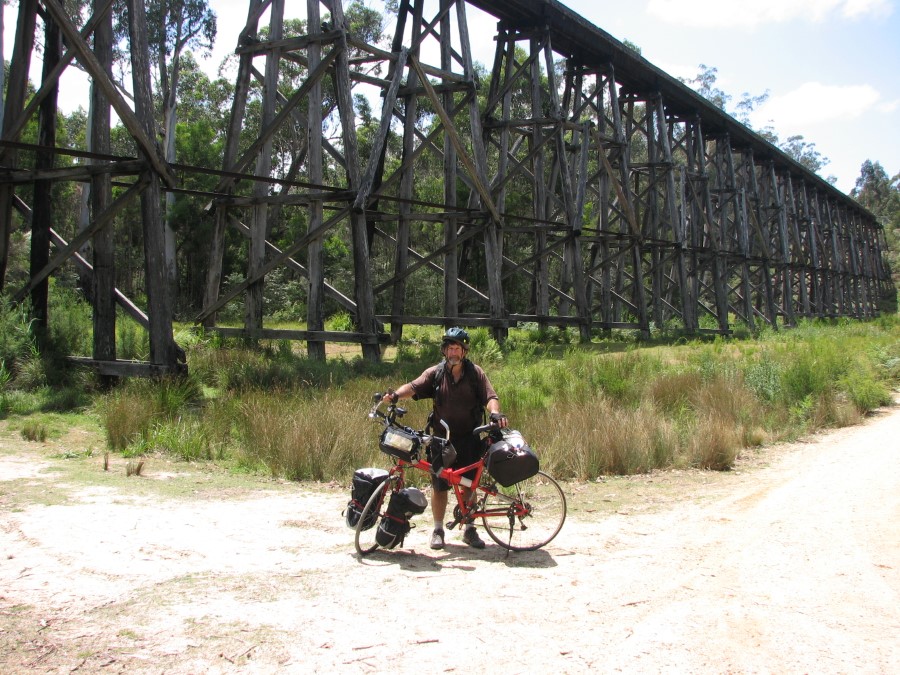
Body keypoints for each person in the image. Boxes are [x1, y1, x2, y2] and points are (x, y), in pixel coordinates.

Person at [382, 327, 508, 550]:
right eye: (449, 348)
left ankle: (470, 529)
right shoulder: (435, 373)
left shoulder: (475, 373)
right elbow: (413, 386)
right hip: (441, 441)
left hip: (470, 438)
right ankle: (438, 529)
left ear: (464, 351)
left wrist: (495, 413)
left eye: (457, 348)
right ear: (444, 351)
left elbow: (491, 397)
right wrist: (395, 396)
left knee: (469, 486)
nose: (453, 353)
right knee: (439, 487)